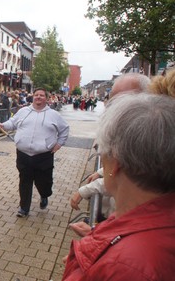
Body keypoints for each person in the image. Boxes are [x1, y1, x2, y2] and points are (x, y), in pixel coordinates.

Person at [62, 93, 175, 281]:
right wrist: (100, 242)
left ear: (115, 163)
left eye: (101, 150)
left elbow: (131, 262)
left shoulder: (125, 268)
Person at [68, 72, 151, 236]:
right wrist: (100, 172)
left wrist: (85, 190)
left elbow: (124, 177)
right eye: (112, 99)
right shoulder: (123, 125)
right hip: (115, 222)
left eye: (124, 99)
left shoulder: (144, 132)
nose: (115, 105)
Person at [0, 87, 69, 217]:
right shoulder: (23, 111)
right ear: (33, 97)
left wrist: (58, 144)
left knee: (43, 182)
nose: (38, 97)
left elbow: (64, 130)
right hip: (23, 155)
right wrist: (3, 125)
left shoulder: (54, 115)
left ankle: (44, 195)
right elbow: (12, 123)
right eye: (36, 95)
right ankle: (24, 208)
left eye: (42, 95)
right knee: (25, 181)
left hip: (44, 156)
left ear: (47, 98)